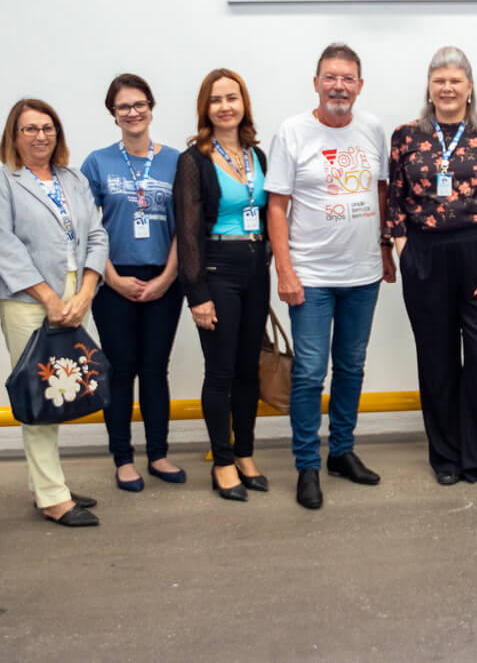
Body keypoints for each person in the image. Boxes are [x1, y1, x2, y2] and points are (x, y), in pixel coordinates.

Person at [386, 46, 477, 486]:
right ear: (429, 89)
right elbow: (394, 200)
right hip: (425, 255)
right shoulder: (406, 136)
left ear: (470, 88)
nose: (447, 88)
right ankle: (447, 458)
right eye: (439, 81)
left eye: (456, 80)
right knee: (436, 359)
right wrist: (405, 253)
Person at [268, 44, 395, 509]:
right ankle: (307, 464)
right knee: (308, 372)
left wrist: (384, 249)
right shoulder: (293, 132)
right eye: (331, 77)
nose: (339, 86)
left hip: (361, 274)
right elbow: (276, 206)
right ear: (316, 82)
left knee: (352, 367)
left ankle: (342, 450)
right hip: (311, 276)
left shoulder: (372, 128)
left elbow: (380, 191)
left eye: (348, 78)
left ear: (359, 85)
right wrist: (285, 270)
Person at [0, 98, 108, 527]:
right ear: (14, 136)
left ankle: (44, 483)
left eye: (47, 128)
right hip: (28, 300)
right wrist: (50, 300)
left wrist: (86, 291)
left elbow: (96, 234)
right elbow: (3, 244)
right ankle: (52, 496)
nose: (40, 136)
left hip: (76, 296)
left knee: (64, 388)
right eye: (30, 129)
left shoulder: (73, 179)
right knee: (39, 393)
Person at [82, 74, 185, 493]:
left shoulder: (176, 161)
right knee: (121, 370)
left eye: (139, 104)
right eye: (123, 106)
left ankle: (158, 454)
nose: (132, 112)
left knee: (155, 369)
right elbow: (87, 228)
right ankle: (123, 458)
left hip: (164, 276)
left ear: (151, 106)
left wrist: (166, 278)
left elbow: (186, 228)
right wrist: (113, 278)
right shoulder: (97, 163)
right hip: (113, 280)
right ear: (113, 113)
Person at [172, 69, 271, 502]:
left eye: (233, 98)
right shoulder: (193, 160)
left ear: (244, 104)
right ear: (205, 109)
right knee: (222, 371)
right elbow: (187, 232)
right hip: (216, 270)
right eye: (216, 100)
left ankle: (246, 452)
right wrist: (197, 293)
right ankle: (223, 460)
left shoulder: (257, 156)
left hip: (255, 267)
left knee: (250, 367)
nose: (225, 106)